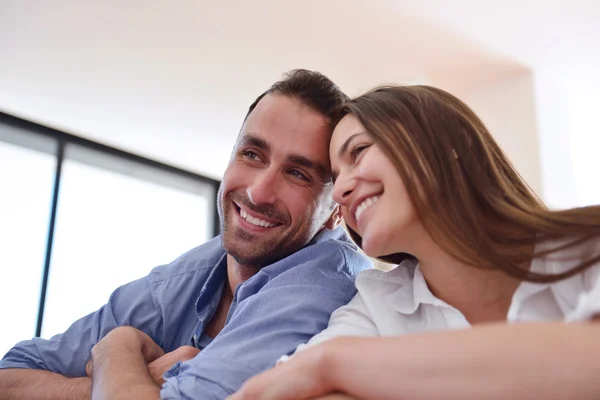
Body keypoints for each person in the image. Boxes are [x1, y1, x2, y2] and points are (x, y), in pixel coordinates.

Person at [0, 69, 373, 400]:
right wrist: (128, 382)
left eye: (297, 174)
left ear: (334, 213)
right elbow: (11, 375)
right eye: (252, 154)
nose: (259, 192)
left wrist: (116, 349)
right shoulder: (189, 275)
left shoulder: (324, 287)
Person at [229, 85, 600, 400]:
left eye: (359, 152)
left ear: (441, 145)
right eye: (338, 176)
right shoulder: (377, 304)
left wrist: (331, 364)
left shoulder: (588, 246)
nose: (340, 190)